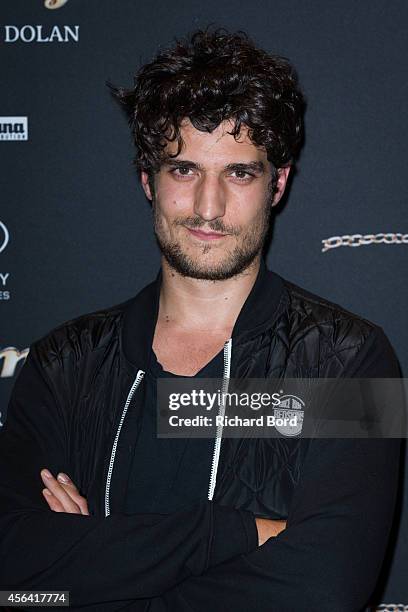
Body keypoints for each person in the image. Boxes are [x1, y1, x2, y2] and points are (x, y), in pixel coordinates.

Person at [0, 26, 402, 612]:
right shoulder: (65, 363)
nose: (208, 208)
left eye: (239, 173)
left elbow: (324, 587)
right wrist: (235, 533)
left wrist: (92, 571)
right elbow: (15, 569)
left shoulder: (350, 362)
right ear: (148, 180)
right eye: (184, 170)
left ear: (278, 184)